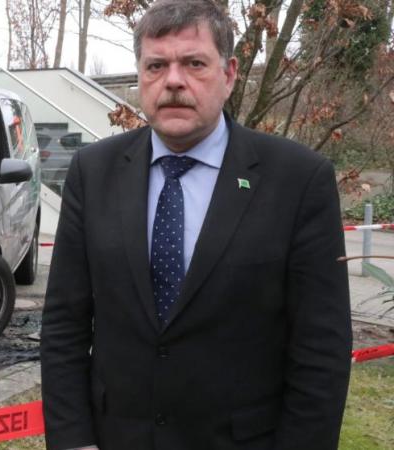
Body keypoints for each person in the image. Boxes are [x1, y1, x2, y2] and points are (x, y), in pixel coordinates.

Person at [39, 1, 353, 449]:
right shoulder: (93, 173)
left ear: (229, 74)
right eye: (156, 65)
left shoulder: (298, 180)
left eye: (194, 63)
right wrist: (73, 442)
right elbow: (64, 326)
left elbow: (321, 350)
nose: (172, 80)